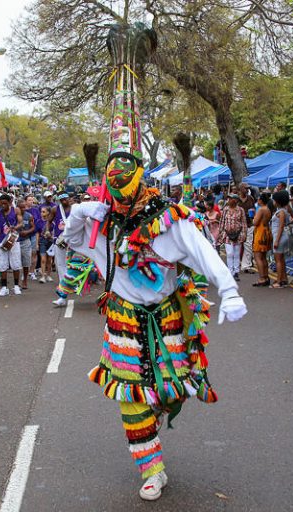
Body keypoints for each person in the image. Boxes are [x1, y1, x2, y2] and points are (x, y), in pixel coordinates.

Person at [63, 71, 247, 501]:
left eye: (125, 191)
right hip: (122, 321)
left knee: (168, 390)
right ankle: (152, 468)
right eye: (114, 194)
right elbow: (72, 242)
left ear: (141, 181)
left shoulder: (169, 219)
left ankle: (159, 413)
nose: (121, 202)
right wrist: (78, 212)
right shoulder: (101, 222)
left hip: (166, 317)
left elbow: (204, 253)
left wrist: (230, 289)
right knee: (130, 398)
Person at [0, 194, 24, 296]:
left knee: (16, 263)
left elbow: (21, 223)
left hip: (14, 239)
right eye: (1, 204)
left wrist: (15, 227)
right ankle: (4, 287)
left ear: (10, 202)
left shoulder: (16, 210)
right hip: (2, 241)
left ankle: (16, 286)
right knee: (2, 265)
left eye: (5, 204)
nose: (3, 206)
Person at [217, 193, 247, 280]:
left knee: (236, 254)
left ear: (236, 200)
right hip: (227, 234)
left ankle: (236, 272)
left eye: (231, 199)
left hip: (238, 234)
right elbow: (222, 222)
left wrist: (244, 234)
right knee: (230, 253)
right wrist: (220, 233)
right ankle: (230, 271)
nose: (229, 200)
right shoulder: (225, 210)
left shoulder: (240, 210)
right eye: (228, 199)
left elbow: (243, 223)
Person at [270, 190, 291, 288]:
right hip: (280, 236)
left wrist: (277, 240)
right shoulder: (283, 210)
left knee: (278, 260)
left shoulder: (281, 212)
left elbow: (281, 226)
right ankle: (284, 278)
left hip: (279, 237)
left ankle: (279, 281)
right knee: (281, 259)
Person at [251, 192, 273, 287]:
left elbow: (255, 222)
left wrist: (253, 216)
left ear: (261, 200)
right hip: (266, 231)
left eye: (258, 199)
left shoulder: (261, 209)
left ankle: (262, 278)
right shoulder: (268, 209)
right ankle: (266, 276)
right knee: (263, 257)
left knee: (258, 256)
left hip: (260, 233)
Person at [17, 198, 37, 290]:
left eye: (24, 207)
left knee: (26, 262)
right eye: (21, 208)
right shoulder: (14, 216)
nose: (23, 209)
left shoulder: (29, 216)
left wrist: (27, 232)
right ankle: (16, 282)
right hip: (15, 241)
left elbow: (33, 227)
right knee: (16, 263)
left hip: (25, 241)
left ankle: (25, 280)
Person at [52, 193, 71, 279]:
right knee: (60, 262)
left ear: (69, 198)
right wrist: (47, 231)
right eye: (62, 200)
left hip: (73, 238)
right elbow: (49, 221)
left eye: (65, 199)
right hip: (59, 238)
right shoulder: (55, 209)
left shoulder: (74, 209)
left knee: (72, 261)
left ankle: (73, 282)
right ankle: (63, 282)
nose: (64, 201)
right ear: (59, 200)